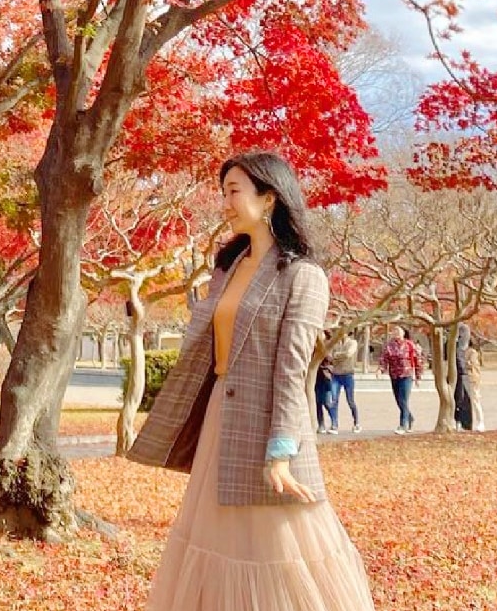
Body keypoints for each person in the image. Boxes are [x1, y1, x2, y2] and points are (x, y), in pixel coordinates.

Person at [125, 152, 377, 610]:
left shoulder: (303, 276)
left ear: (270, 198)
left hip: (268, 428)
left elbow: (291, 370)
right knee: (217, 540)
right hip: (222, 420)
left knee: (279, 547)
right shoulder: (227, 269)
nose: (225, 201)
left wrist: (281, 452)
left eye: (234, 191)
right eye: (223, 191)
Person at [379, 326, 425, 434]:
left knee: (403, 399)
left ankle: (402, 424)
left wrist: (418, 376)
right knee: (398, 400)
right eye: (394, 331)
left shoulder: (409, 345)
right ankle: (410, 417)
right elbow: (384, 358)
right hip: (394, 375)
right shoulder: (389, 346)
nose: (396, 333)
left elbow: (417, 360)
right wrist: (381, 369)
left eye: (398, 331)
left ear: (403, 333)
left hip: (406, 374)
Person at [322, 332, 362, 434]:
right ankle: (334, 425)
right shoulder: (335, 344)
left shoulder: (352, 342)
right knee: (334, 400)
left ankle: (356, 423)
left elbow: (349, 354)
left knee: (350, 401)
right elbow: (329, 356)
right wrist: (338, 356)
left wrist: (336, 355)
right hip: (336, 375)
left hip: (348, 374)